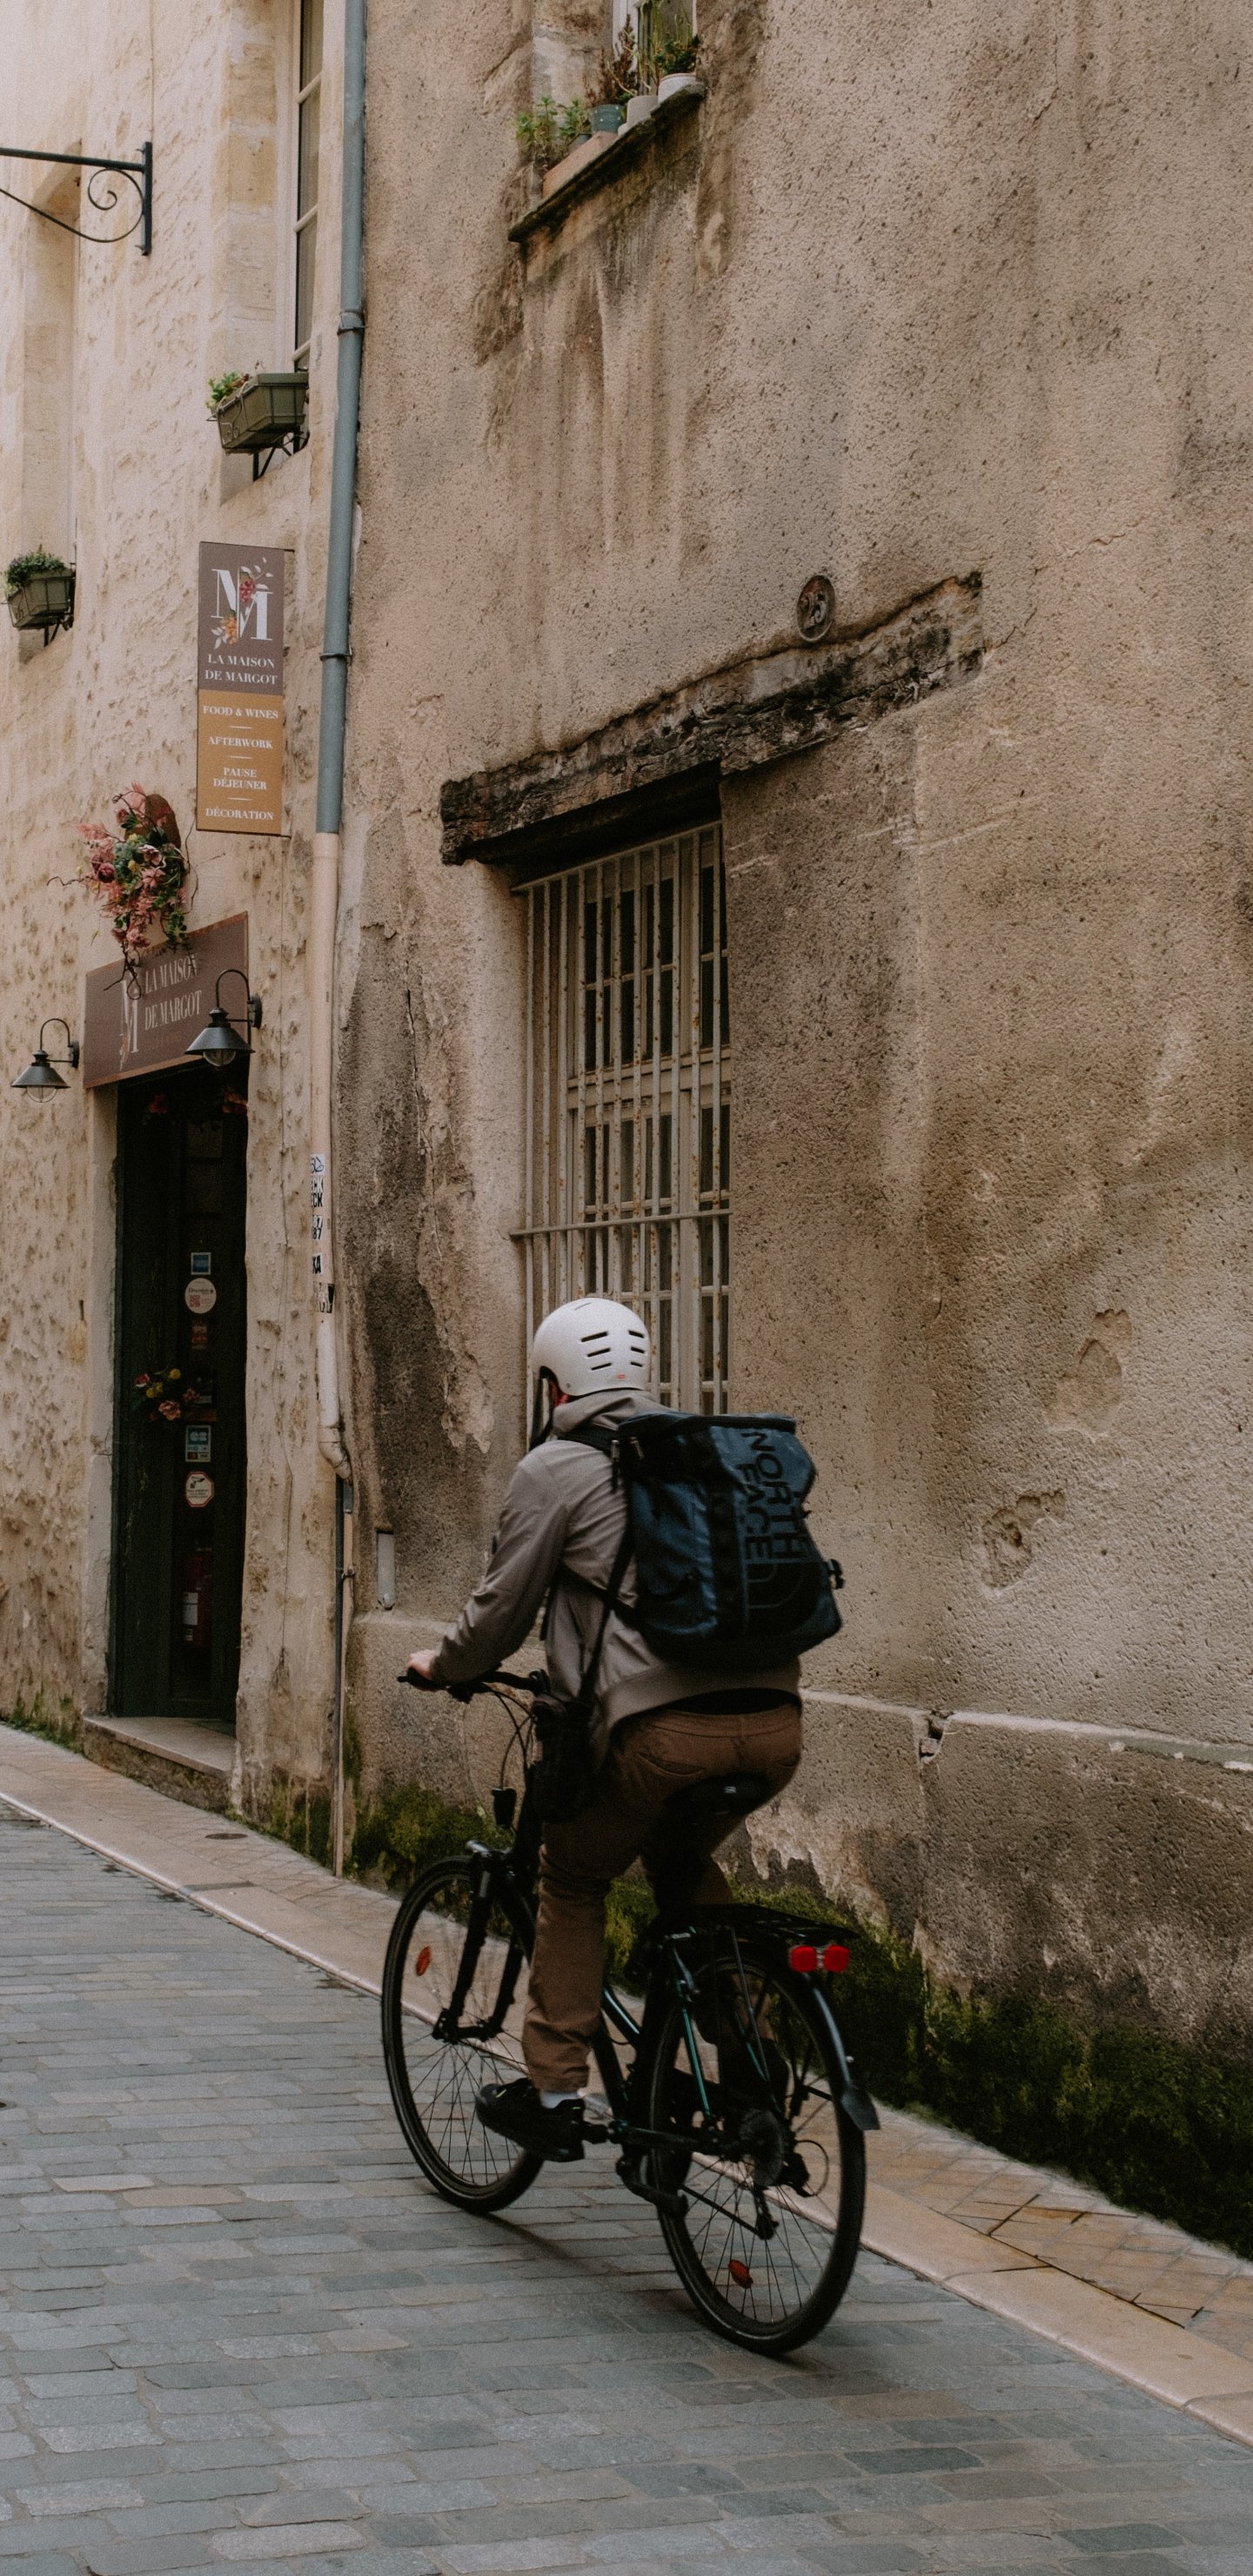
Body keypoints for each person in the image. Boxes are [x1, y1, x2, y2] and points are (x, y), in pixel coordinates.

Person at [405, 1295, 803, 2163]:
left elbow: (501, 1611)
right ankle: (753, 2066)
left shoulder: (556, 1467)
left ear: (554, 1385)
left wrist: (445, 1663)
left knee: (574, 1875)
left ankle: (553, 2091)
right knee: (680, 1862)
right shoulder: (703, 1452)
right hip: (777, 1724)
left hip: (662, 1736)